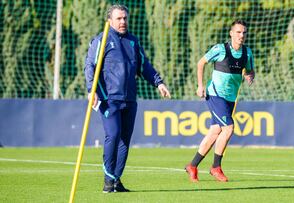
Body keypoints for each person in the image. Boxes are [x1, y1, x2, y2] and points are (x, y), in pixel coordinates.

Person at [84, 4, 171, 193]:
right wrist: (92, 89)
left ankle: (116, 180)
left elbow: (144, 66)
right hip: (109, 99)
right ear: (110, 20)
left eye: (125, 18)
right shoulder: (102, 39)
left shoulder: (133, 41)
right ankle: (108, 179)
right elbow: (90, 65)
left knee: (125, 140)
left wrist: (159, 83)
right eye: (119, 18)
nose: (123, 21)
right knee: (113, 135)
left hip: (130, 99)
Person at [185, 19, 255, 182]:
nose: (241, 35)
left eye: (244, 32)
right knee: (229, 128)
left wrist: (250, 76)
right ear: (231, 33)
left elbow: (250, 71)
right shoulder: (220, 49)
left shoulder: (247, 52)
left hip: (230, 98)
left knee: (215, 132)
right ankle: (216, 167)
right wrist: (200, 86)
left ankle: (193, 165)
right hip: (215, 94)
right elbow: (201, 63)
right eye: (238, 32)